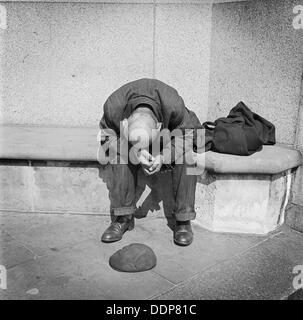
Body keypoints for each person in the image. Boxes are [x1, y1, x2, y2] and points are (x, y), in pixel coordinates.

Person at [97, 78, 204, 246]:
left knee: (188, 156)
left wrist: (163, 157)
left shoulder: (171, 102)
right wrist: (134, 151)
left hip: (171, 136)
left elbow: (188, 134)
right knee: (118, 155)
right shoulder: (114, 106)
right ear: (124, 123)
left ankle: (183, 221)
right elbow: (105, 136)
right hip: (132, 140)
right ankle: (123, 217)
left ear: (159, 125)